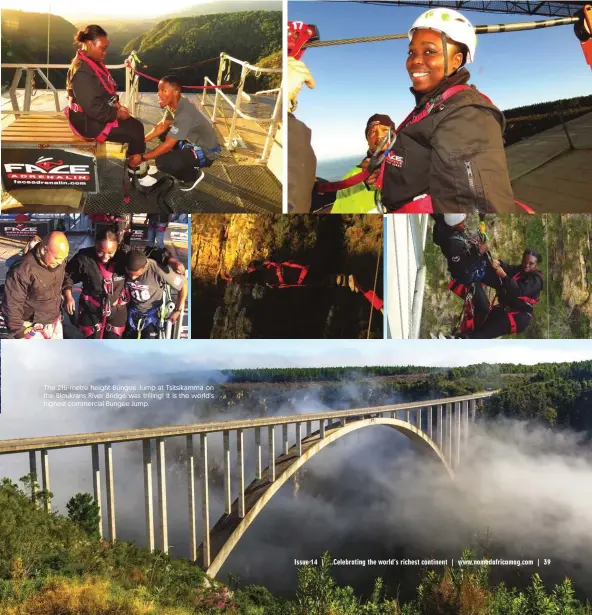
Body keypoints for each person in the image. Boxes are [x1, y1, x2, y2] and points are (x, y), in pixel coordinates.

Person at [379, 8, 515, 213]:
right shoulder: (433, 106)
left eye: (430, 51)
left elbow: (479, 204)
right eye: (411, 52)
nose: (415, 60)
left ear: (456, 61)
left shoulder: (465, 117)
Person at [65, 25, 157, 188]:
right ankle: (136, 171)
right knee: (134, 131)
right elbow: (93, 108)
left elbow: (103, 89)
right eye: (103, 47)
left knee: (136, 126)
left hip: (97, 115)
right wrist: (117, 115)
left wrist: (116, 105)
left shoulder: (92, 62)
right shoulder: (81, 72)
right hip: (89, 123)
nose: (105, 52)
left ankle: (137, 163)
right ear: (89, 43)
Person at [63, 231, 185, 339]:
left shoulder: (125, 253)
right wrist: (68, 296)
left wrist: (172, 261)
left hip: (117, 311)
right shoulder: (84, 258)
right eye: (100, 251)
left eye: (111, 252)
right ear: (95, 245)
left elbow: (150, 252)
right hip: (92, 311)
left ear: (117, 246)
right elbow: (67, 276)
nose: (105, 257)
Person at [129, 75, 221, 191]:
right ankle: (182, 158)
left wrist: (142, 158)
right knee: (165, 133)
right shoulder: (175, 104)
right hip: (193, 140)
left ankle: (191, 176)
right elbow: (162, 126)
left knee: (162, 162)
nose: (159, 94)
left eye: (163, 90)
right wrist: (142, 140)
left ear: (176, 92)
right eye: (159, 90)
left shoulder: (184, 114)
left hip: (207, 151)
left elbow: (168, 145)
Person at [2, 232, 70, 339]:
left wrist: (68, 294)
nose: (60, 262)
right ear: (44, 250)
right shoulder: (22, 270)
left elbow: (64, 276)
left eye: (63, 258)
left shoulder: (59, 261)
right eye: (57, 258)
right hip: (32, 328)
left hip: (54, 322)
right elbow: (12, 304)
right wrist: (19, 333)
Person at [468, 249, 543, 339]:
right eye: (524, 262)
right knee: (481, 326)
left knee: (485, 333)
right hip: (506, 309)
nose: (527, 265)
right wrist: (499, 263)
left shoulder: (536, 281)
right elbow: (510, 268)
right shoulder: (521, 270)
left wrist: (504, 276)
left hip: (519, 317)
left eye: (531, 264)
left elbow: (519, 290)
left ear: (536, 265)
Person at [330, 114, 396, 214]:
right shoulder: (351, 177)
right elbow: (340, 208)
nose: (379, 136)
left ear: (394, 134)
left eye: (385, 130)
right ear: (368, 141)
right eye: (372, 132)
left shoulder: (409, 164)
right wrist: (364, 181)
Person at [124, 250, 188, 339]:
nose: (132, 277)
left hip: (151, 318)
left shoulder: (157, 269)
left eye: (137, 275)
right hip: (131, 315)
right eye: (129, 274)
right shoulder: (123, 265)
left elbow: (183, 285)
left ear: (145, 267)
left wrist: (177, 310)